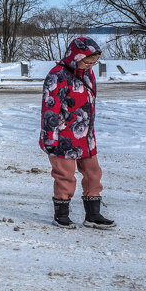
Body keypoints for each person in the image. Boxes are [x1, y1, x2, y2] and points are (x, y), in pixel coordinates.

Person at [39, 36, 115, 230]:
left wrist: (90, 132)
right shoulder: (57, 76)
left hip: (85, 136)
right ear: (75, 55)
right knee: (65, 175)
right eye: (87, 60)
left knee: (93, 173)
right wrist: (50, 137)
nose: (90, 65)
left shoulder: (88, 74)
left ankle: (93, 215)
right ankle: (61, 215)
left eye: (94, 62)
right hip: (62, 136)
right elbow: (50, 109)